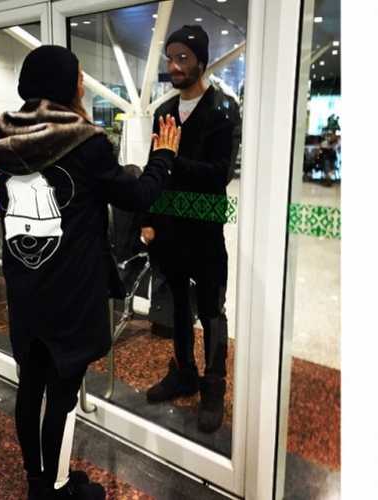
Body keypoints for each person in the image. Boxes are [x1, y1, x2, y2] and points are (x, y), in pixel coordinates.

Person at [0, 45, 180, 500]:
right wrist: (164, 156)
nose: (83, 87)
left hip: (25, 288)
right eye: (79, 79)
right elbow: (137, 195)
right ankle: (56, 490)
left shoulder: (5, 142)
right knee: (62, 395)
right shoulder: (86, 143)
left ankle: (39, 483)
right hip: (69, 294)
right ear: (65, 86)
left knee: (30, 387)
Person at [141, 25, 238, 434]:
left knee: (212, 309)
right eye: (170, 57)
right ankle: (183, 372)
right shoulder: (164, 110)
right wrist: (147, 218)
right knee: (177, 305)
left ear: (201, 61)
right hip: (169, 229)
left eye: (183, 57)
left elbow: (219, 174)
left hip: (206, 230)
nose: (174, 65)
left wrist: (172, 158)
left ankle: (213, 386)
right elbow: (154, 167)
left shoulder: (223, 110)